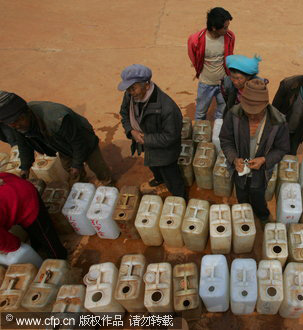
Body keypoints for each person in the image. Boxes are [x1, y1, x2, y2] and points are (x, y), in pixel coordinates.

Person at [0, 91, 112, 185]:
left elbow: (78, 142)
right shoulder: (18, 126)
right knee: (69, 168)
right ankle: (82, 184)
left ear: (28, 112)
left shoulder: (57, 119)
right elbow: (23, 145)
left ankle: (108, 183)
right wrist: (25, 167)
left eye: (18, 120)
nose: (16, 125)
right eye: (11, 124)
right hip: (61, 143)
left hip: (83, 139)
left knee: (98, 166)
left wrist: (77, 164)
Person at [219, 79, 289, 222]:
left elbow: (282, 148)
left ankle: (262, 216)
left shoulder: (278, 121)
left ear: (265, 105)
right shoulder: (234, 115)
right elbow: (226, 140)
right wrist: (233, 159)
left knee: (258, 195)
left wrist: (264, 160)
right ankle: (244, 214)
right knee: (242, 195)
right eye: (248, 111)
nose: (251, 115)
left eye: (256, 112)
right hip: (239, 172)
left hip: (261, 173)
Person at [118, 64, 187, 199]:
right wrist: (131, 131)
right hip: (146, 143)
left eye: (133, 88)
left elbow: (171, 136)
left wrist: (145, 139)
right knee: (153, 165)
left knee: (171, 176)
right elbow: (124, 113)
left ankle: (181, 198)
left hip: (165, 152)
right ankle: (159, 179)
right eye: (128, 89)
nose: (130, 92)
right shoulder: (130, 96)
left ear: (147, 85)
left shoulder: (167, 108)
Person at [0, 172, 67, 259]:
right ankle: (37, 245)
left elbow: (13, 244)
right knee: (32, 229)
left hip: (24, 199)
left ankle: (58, 256)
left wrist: (9, 248)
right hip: (11, 187)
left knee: (45, 234)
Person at [188, 7, 235, 120]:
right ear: (214, 28)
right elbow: (193, 56)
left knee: (222, 112)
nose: (227, 30)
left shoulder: (230, 36)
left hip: (223, 83)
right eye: (225, 28)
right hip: (205, 83)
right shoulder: (196, 40)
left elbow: (230, 54)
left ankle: (217, 135)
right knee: (200, 113)